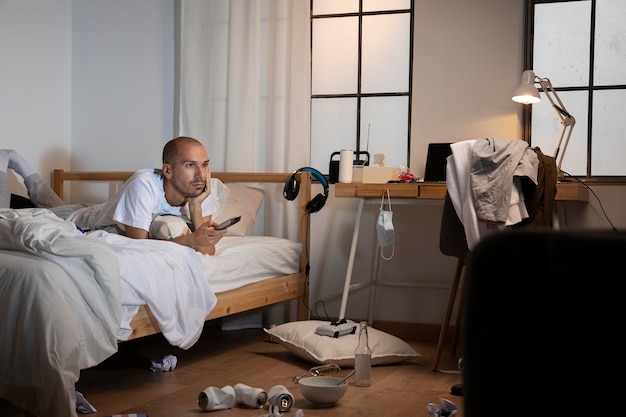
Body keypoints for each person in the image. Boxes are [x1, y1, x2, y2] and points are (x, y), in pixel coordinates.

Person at [0, 137, 226, 255]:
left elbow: (208, 249)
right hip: (74, 220)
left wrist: (196, 208)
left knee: (48, 208)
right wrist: (189, 240)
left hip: (94, 211)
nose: (201, 174)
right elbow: (140, 247)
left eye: (205, 165)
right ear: (167, 171)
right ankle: (4, 163)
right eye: (190, 165)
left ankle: (21, 164)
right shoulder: (143, 184)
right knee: (5, 217)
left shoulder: (201, 189)